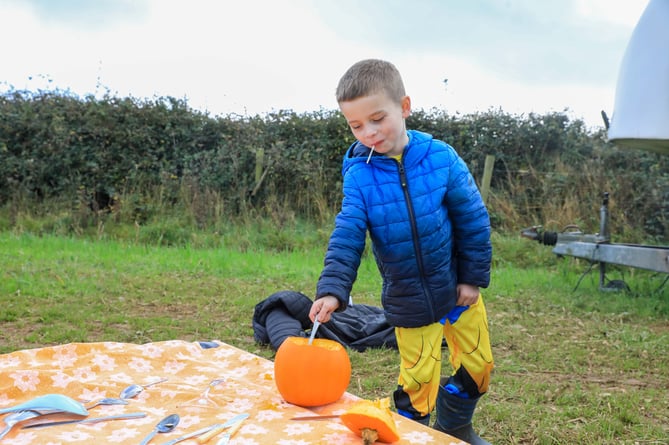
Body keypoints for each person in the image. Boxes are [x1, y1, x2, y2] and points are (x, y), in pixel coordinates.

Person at [309, 59, 494, 445]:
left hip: (457, 288)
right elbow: (348, 233)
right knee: (417, 383)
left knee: (478, 367)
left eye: (377, 118)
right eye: (356, 125)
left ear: (404, 106)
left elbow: (473, 219)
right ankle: (415, 437)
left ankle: (456, 426)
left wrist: (471, 278)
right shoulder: (359, 176)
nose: (369, 132)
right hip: (408, 300)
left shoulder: (441, 157)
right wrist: (332, 289)